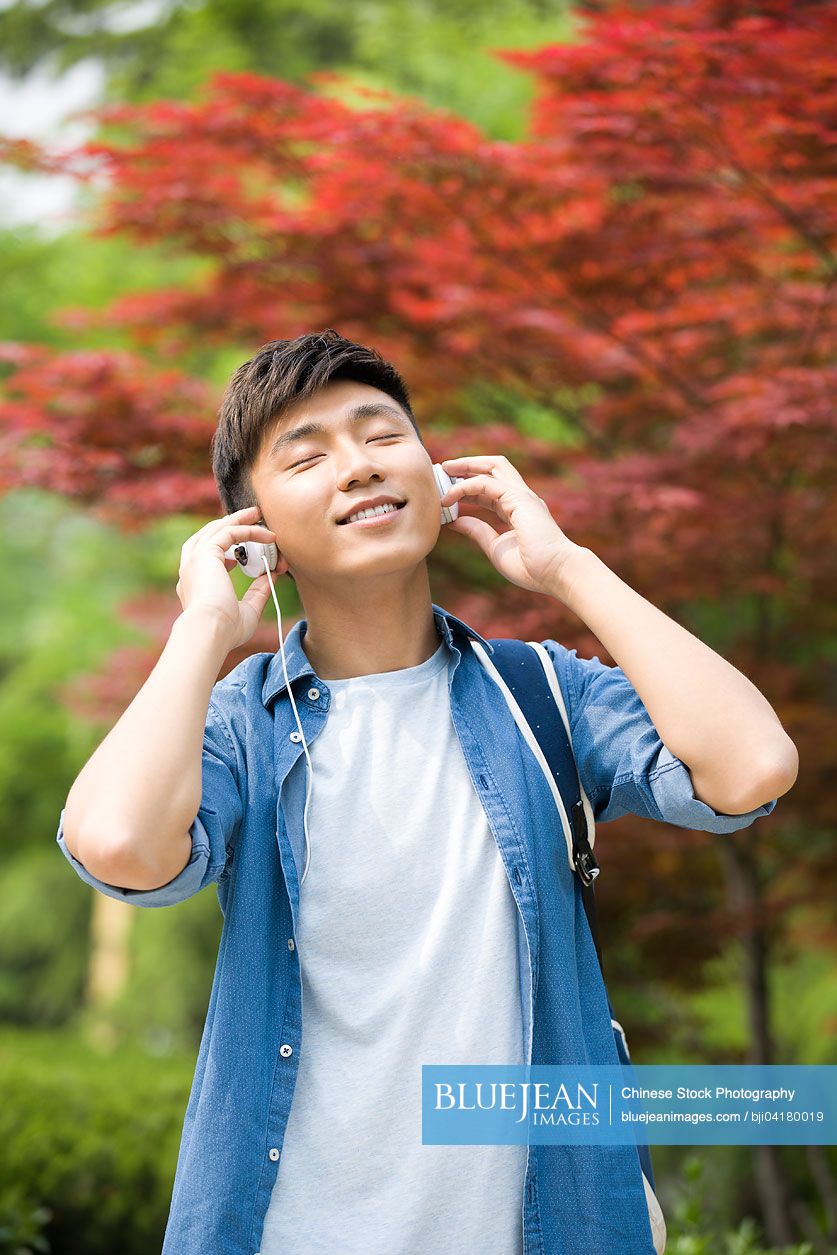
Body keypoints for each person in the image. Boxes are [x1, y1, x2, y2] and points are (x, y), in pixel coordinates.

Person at [56, 329, 798, 1255]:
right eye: (308, 454)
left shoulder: (540, 695)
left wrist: (568, 566)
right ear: (255, 529)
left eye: (381, 434)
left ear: (436, 476)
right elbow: (119, 845)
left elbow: (751, 767)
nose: (358, 466)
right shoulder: (241, 724)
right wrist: (206, 624)